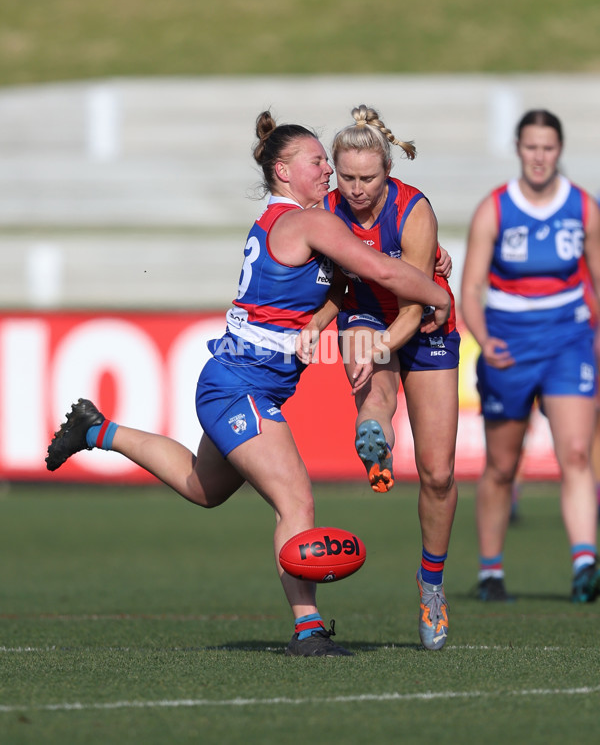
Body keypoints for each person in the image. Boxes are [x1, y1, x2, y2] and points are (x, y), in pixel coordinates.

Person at [46, 110, 451, 657]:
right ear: (283, 170)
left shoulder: (292, 218)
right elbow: (380, 271)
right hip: (241, 386)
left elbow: (368, 266)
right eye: (317, 163)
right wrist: (435, 291)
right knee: (296, 499)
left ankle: (98, 430)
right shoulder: (309, 222)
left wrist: (422, 263)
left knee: (203, 488)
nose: (328, 173)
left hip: (233, 379)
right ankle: (308, 631)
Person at [298, 105, 459, 651]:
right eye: (347, 177)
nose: (357, 189)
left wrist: (385, 343)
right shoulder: (328, 209)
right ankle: (377, 437)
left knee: (438, 474)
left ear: (387, 173)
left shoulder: (414, 211)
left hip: (425, 319)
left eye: (369, 179)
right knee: (374, 383)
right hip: (365, 312)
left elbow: (415, 307)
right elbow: (333, 286)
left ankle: (430, 584)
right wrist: (320, 324)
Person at [460, 108, 600, 603]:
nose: (539, 156)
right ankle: (491, 570)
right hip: (509, 343)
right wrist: (483, 337)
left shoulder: (583, 207)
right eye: (531, 147)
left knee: (577, 454)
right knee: (502, 464)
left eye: (548, 147)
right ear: (518, 149)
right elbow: (471, 288)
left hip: (568, 340)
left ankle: (585, 562)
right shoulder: (494, 209)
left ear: (559, 150)